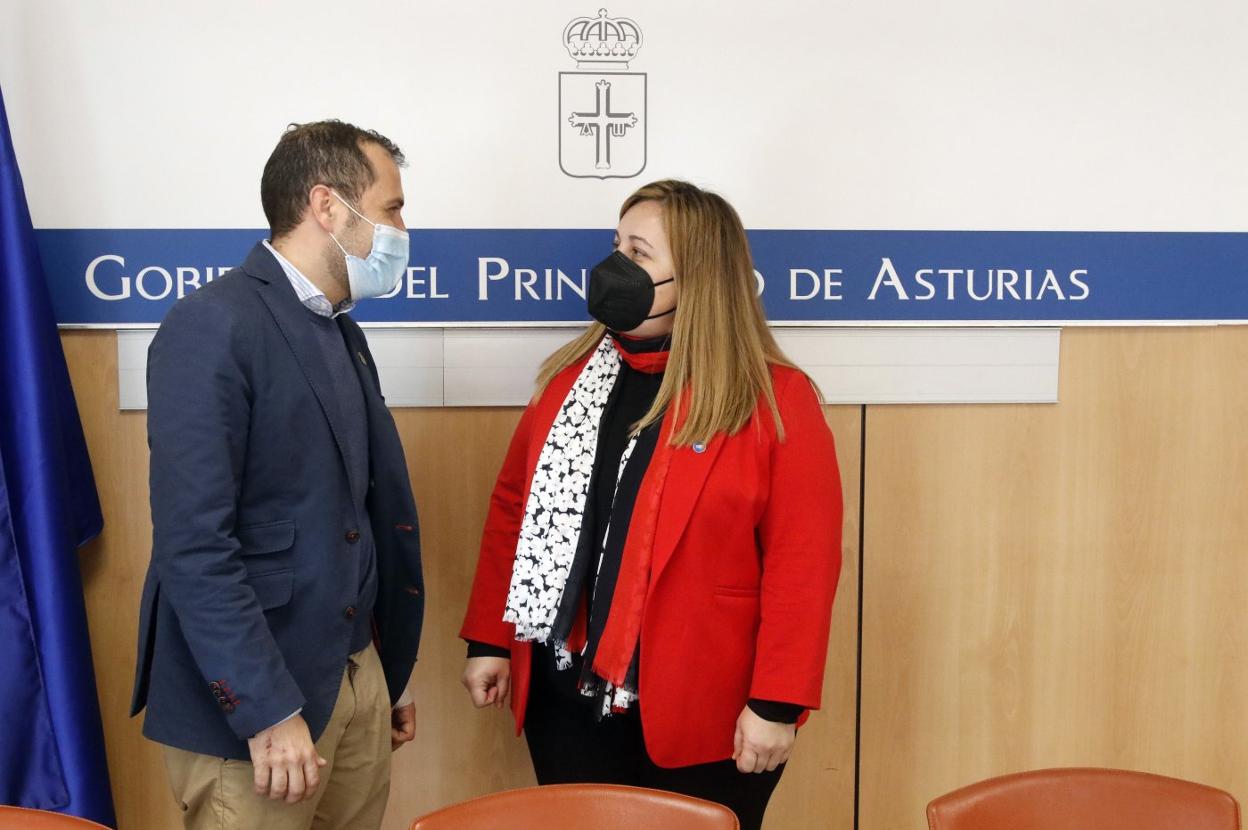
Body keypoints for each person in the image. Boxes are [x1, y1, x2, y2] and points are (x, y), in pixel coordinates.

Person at [459, 179, 842, 829]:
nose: (615, 267)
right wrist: (489, 640)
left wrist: (777, 705)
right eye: (617, 246)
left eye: (639, 253)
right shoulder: (569, 380)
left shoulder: (774, 399)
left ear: (697, 278)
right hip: (567, 700)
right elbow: (513, 509)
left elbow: (803, 562)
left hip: (706, 713)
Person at [130, 120, 425, 830]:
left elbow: (351, 516)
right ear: (327, 206)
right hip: (263, 713)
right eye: (391, 208)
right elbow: (195, 547)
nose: (402, 227)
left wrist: (381, 671)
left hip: (354, 680)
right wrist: (266, 710)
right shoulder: (212, 325)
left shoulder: (340, 328)